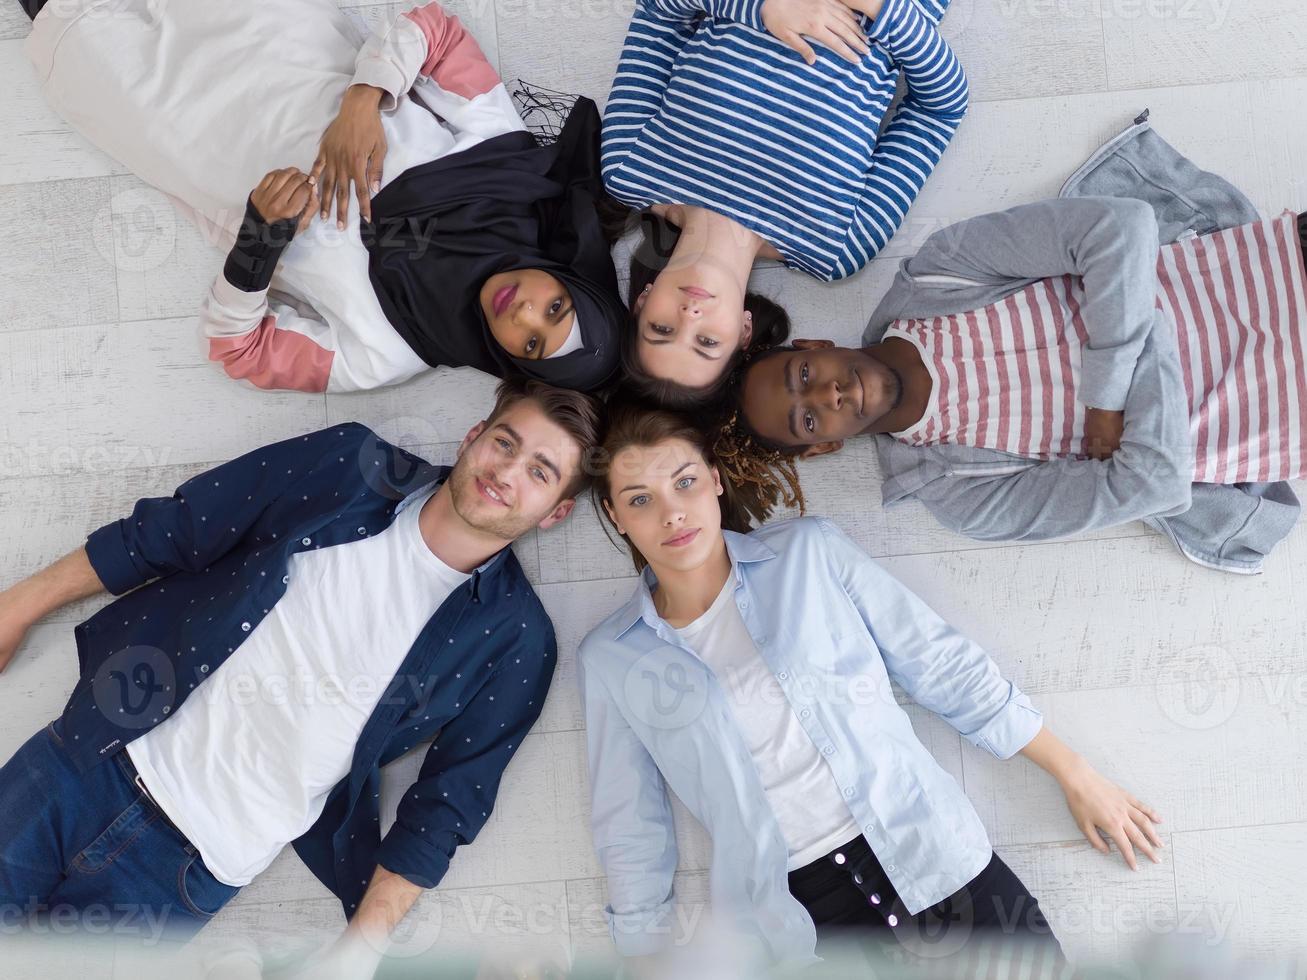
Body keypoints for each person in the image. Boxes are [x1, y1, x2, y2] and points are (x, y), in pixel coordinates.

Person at [0, 379, 602, 970]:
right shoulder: (351, 466)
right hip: (85, 762)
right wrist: (20, 606)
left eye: (541, 472)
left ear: (557, 511)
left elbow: (444, 810)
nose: (507, 471)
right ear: (474, 435)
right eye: (504, 442)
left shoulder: (516, 638)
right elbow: (178, 529)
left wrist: (359, 953)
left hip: (186, 870)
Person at [577, 403, 1161, 973]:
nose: (672, 514)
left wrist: (1074, 773)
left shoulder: (809, 554)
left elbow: (937, 662)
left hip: (933, 856)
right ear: (615, 514)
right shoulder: (613, 657)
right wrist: (644, 956)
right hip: (800, 923)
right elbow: (628, 820)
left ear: (715, 479)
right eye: (640, 500)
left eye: (684, 483)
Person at [732, 113, 1305, 573]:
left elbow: (1121, 226)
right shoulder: (963, 494)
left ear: (812, 343)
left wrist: (1110, 402)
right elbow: (1153, 484)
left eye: (803, 375)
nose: (827, 395)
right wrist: (1146, 318)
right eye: (807, 421)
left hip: (1288, 271)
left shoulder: (942, 272)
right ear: (823, 448)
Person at [22, 0, 626, 393]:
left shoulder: (385, 352)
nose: (522, 314)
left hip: (156, 102)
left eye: (530, 344)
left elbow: (241, 349)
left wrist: (261, 239)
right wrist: (365, 99)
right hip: (255, 25)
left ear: (515, 363)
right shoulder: (505, 161)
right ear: (570, 278)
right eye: (555, 308)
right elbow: (436, 32)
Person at [600, 0, 969, 405]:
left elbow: (658, 10)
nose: (689, 315)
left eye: (662, 329)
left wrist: (762, 8)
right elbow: (940, 109)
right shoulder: (835, 247)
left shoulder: (629, 166)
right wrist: (878, 8)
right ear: (743, 331)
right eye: (706, 341)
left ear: (642, 301)